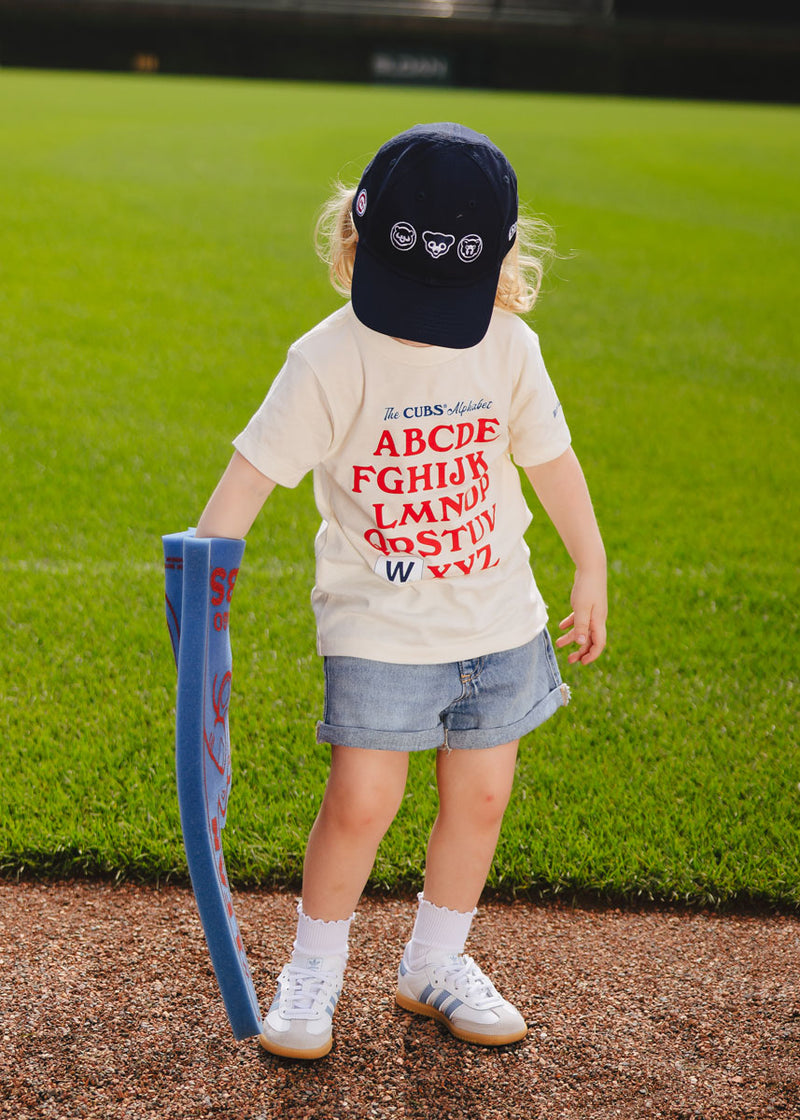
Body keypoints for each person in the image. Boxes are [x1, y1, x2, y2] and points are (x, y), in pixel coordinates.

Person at [195, 122, 607, 1060]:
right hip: (379, 626)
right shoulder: (330, 358)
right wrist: (201, 575)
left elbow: (550, 457)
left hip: (499, 619)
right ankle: (314, 970)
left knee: (484, 798)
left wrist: (590, 560)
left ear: (501, 261)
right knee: (361, 801)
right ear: (356, 240)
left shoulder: (508, 347)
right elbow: (248, 480)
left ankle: (434, 962)